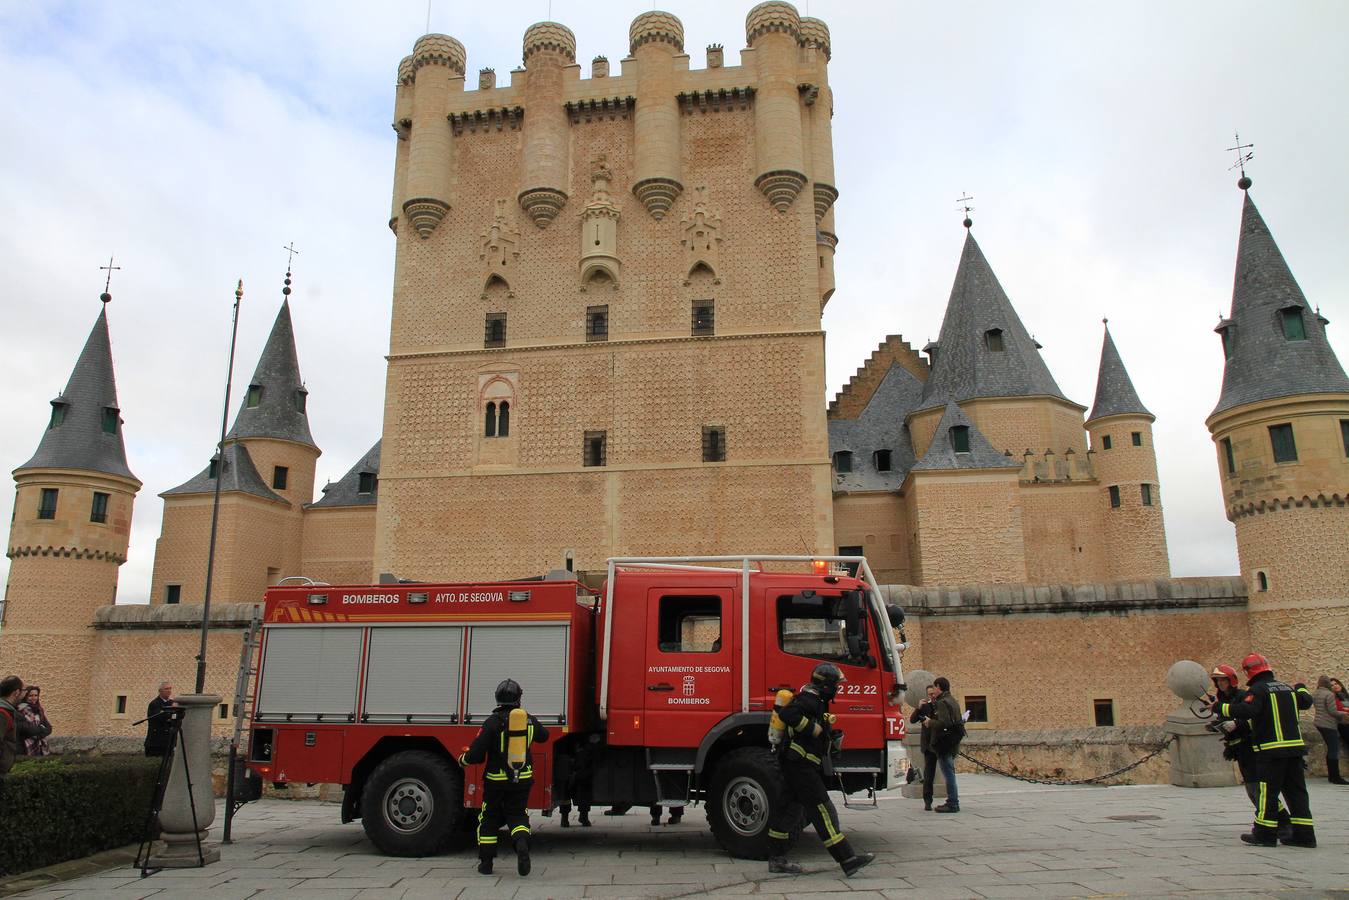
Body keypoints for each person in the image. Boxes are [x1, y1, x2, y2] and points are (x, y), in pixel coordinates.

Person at [765, 662, 874, 877]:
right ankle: (848, 860)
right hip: (801, 767)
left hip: (796, 765)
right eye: (836, 685)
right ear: (825, 685)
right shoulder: (810, 699)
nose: (838, 689)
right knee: (824, 811)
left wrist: (828, 737)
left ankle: (776, 859)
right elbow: (788, 715)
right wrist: (815, 730)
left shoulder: (816, 700)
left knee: (789, 812)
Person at [1211, 653, 1316, 848]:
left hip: (1271, 750)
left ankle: (1265, 834)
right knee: (1297, 792)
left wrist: (1219, 707)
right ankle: (1304, 835)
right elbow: (1307, 700)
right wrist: (1301, 686)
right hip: (1294, 749)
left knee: (1267, 792)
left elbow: (1247, 711)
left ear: (1248, 672)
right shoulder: (1286, 688)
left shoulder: (1257, 690)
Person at [460, 678, 549, 877]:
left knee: (489, 818)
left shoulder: (492, 722)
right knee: (518, 816)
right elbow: (544, 736)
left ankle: (486, 863)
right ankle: (521, 844)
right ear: (519, 698)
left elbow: (476, 754)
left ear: (497, 698)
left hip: (495, 781)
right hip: (522, 779)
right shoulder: (528, 719)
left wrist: (462, 760)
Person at [1209, 664, 1291, 839]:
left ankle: (1282, 821)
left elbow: (1251, 716)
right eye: (1218, 681)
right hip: (1237, 749)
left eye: (1223, 680)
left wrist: (1236, 724)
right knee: (1252, 790)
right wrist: (1217, 726)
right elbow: (1226, 717)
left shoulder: (1243, 696)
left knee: (1258, 790)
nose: (1221, 683)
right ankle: (1273, 821)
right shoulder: (1220, 699)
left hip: (1250, 747)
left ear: (1231, 680)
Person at [926, 676, 964, 813]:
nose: (934, 690)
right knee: (950, 772)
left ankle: (953, 803)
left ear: (939, 687)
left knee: (948, 774)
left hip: (944, 742)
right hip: (952, 740)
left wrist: (930, 722)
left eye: (935, 687)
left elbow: (944, 723)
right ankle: (952, 801)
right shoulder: (952, 700)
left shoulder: (942, 702)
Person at [909, 682, 943, 811]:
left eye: (933, 693)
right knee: (929, 774)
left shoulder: (942, 704)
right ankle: (927, 801)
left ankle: (952, 799)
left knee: (947, 770)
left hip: (941, 743)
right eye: (929, 694)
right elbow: (912, 720)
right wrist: (918, 708)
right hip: (929, 745)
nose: (932, 696)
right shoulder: (924, 706)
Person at [1312, 675, 1349, 784]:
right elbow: (1333, 712)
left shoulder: (1317, 693)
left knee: (1331, 749)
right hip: (1328, 724)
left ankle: (1332, 776)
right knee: (1334, 749)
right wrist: (1345, 713)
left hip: (1319, 723)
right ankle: (1335, 777)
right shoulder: (1329, 694)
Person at [144, 682, 178, 757]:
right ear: (160, 691)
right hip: (156, 741)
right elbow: (160, 717)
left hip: (169, 740)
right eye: (166, 689)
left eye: (170, 689)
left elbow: (177, 717)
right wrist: (171, 712)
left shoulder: (172, 703)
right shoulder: (155, 703)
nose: (169, 691)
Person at [17, 685, 52, 756]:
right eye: (30, 695)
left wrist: (40, 735)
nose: (33, 698)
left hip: (40, 746)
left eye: (36, 695)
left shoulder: (39, 710)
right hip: (25, 747)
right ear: (25, 696)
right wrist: (41, 730)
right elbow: (26, 729)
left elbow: (49, 727)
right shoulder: (20, 710)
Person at [1, 675, 25, 775]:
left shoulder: (7, 711)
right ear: (16, 692)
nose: (25, 694)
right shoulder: (2, 713)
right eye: (23, 690)